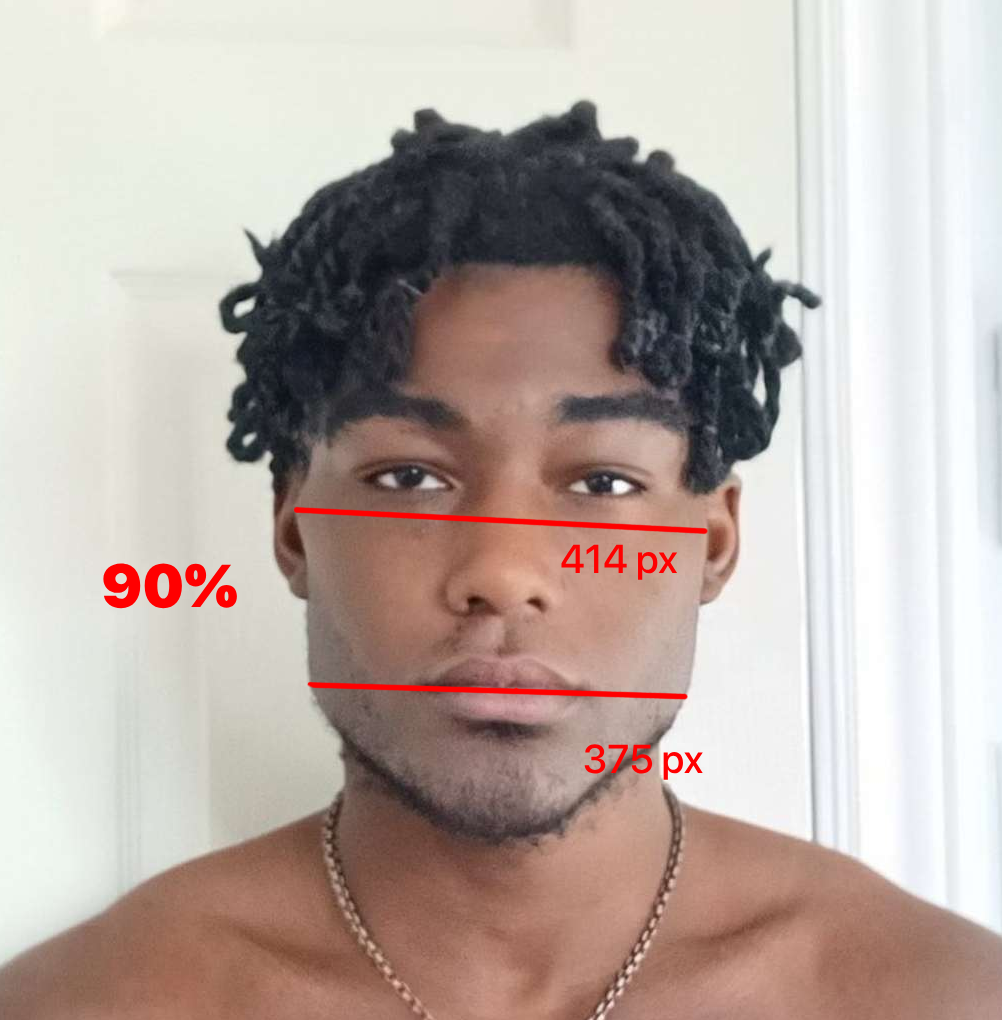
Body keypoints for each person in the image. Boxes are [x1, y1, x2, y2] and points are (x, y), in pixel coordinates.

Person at [2, 99, 1000, 1019]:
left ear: (712, 544)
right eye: (408, 476)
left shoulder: (936, 997)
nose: (502, 570)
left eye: (602, 482)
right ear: (294, 528)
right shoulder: (89, 1002)